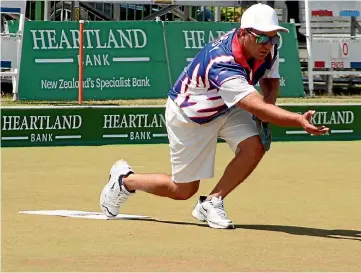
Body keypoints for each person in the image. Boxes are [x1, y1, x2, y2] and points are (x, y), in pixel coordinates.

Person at [99, 3, 329, 229]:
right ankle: (124, 181)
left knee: (255, 146)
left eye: (273, 38)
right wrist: (296, 120)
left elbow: (269, 77)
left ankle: (212, 202)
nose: (268, 44)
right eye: (262, 38)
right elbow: (255, 106)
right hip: (190, 115)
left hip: (227, 107)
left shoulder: (269, 47)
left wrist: (269, 106)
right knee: (183, 191)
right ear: (243, 33)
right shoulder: (221, 62)